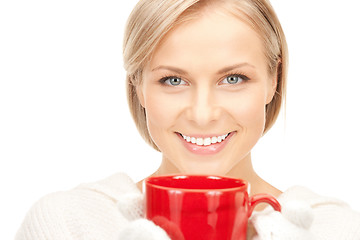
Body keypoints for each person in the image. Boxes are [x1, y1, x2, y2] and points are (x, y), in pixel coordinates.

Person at [15, 0, 360, 239]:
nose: (202, 114)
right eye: (173, 80)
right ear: (138, 85)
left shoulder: (331, 230)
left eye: (234, 78)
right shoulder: (68, 224)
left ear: (273, 80)